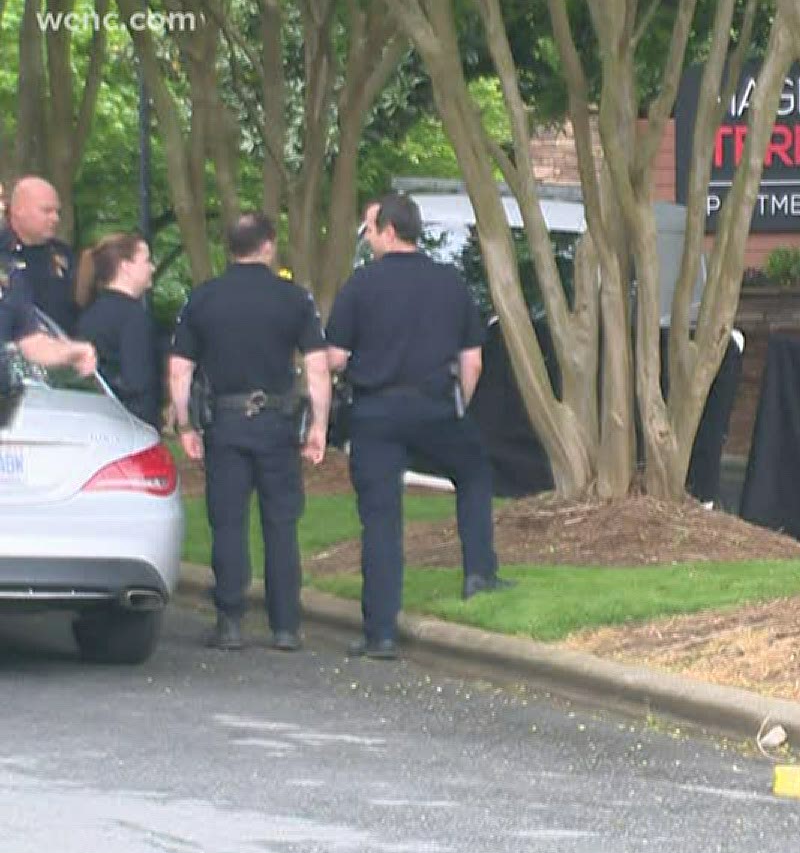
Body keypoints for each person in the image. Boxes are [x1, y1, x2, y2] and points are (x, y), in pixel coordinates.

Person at [326, 192, 510, 661]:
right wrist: (457, 407)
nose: (367, 239)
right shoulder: (449, 283)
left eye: (370, 230)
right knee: (473, 473)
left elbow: (336, 357)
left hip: (376, 414)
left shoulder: (361, 286)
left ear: (389, 231)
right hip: (434, 408)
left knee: (381, 519)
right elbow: (472, 360)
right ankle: (478, 572)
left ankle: (381, 633)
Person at [169, 212, 331, 653]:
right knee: (281, 522)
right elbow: (317, 368)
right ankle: (284, 626)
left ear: (230, 247)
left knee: (228, 522)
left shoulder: (203, 299)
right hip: (277, 423)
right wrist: (318, 425)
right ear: (268, 245)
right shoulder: (295, 299)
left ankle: (230, 622)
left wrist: (185, 424)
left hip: (225, 423)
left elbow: (180, 369)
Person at [74, 234, 163, 429]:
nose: (152, 267)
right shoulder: (133, 317)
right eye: (146, 260)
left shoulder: (89, 315)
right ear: (126, 267)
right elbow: (139, 381)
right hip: (132, 425)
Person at [3, 176, 80, 331]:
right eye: (46, 211)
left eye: (57, 212)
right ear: (19, 210)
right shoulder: (3, 251)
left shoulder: (62, 255)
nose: (55, 218)